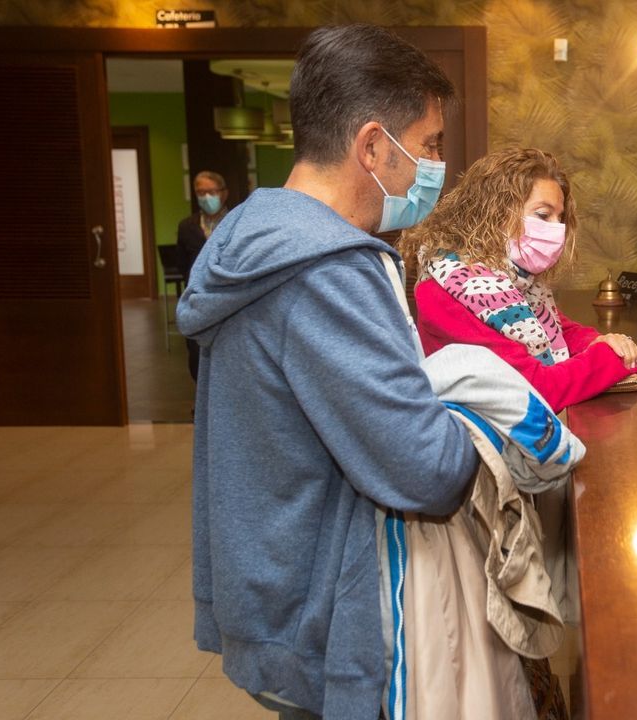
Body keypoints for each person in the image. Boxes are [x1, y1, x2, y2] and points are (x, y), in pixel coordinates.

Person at [176, 25, 479, 719]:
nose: (436, 165)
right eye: (429, 145)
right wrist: (478, 417)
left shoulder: (254, 238)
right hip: (321, 617)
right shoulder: (328, 273)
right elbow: (426, 469)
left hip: (273, 586)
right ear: (372, 146)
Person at [403, 147, 637, 413]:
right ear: (495, 213)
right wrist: (615, 359)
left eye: (560, 217)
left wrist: (603, 341)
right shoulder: (453, 289)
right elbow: (536, 390)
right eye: (543, 215)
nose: (558, 228)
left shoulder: (513, 280)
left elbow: (561, 329)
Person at [176, 170, 229, 381]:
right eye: (201, 192)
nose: (206, 197)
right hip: (198, 297)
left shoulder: (236, 222)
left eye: (211, 192)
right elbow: (182, 264)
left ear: (224, 193)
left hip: (226, 297)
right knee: (197, 355)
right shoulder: (187, 226)